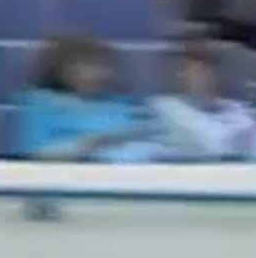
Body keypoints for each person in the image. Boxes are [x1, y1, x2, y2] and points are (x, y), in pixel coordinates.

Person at [12, 34, 165, 163]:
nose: (97, 73)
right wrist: (95, 142)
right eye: (86, 66)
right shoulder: (39, 104)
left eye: (102, 65)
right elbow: (38, 156)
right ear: (60, 70)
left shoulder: (124, 103)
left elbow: (154, 136)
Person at [148, 37, 256, 163]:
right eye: (195, 70)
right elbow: (211, 145)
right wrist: (242, 141)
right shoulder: (168, 107)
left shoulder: (235, 107)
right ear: (180, 74)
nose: (203, 75)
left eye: (207, 68)